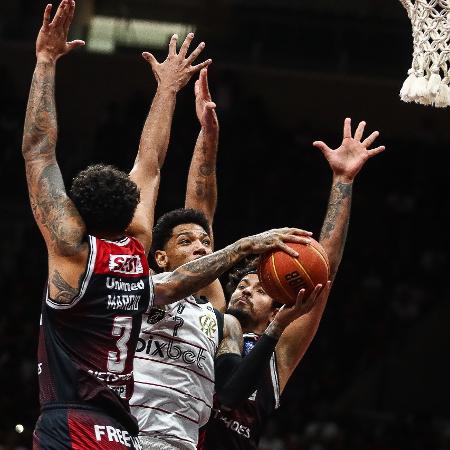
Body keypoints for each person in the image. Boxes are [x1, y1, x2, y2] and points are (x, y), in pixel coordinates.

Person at [23, 2, 312, 448]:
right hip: (122, 431)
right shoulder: (139, 270)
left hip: (73, 421)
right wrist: (166, 91)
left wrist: (44, 60)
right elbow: (150, 165)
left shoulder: (70, 255)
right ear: (133, 217)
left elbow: (39, 149)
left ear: (74, 217)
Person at [129, 67, 320, 449]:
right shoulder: (138, 289)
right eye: (189, 242)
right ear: (161, 258)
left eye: (206, 243)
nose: (203, 247)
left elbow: (232, 391)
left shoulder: (215, 318)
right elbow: (178, 195)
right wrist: (207, 136)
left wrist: (209, 135)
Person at [199, 118, 386, 449]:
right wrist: (207, 138)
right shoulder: (212, 321)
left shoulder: (279, 352)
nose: (244, 290)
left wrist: (343, 180)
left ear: (276, 312)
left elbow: (325, 268)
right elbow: (200, 222)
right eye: (243, 284)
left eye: (259, 290)